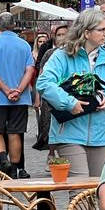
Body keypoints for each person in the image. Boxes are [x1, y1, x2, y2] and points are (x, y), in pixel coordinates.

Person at [38, 8, 105, 177]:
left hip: (100, 133)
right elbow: (43, 83)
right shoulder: (62, 56)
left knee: (95, 190)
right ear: (86, 32)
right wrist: (69, 103)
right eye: (101, 30)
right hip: (69, 133)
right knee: (79, 190)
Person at [0, 12, 36, 179]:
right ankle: (13, 169)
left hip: (0, 97)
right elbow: (30, 70)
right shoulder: (24, 45)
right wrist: (19, 90)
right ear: (14, 25)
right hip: (21, 98)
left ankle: (3, 158)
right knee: (15, 133)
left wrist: (5, 90)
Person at [33, 24, 69, 153]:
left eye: (64, 34)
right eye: (58, 35)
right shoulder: (49, 53)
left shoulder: (73, 54)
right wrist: (37, 98)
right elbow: (41, 76)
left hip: (67, 95)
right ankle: (51, 153)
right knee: (49, 126)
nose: (61, 37)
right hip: (50, 96)